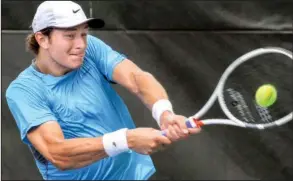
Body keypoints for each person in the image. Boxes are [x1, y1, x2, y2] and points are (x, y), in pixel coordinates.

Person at [5, 1, 201, 180]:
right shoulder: (23, 91)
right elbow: (58, 153)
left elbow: (136, 78)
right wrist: (126, 140)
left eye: (83, 33)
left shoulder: (91, 49)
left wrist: (164, 113)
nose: (80, 44)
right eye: (70, 36)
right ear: (42, 39)